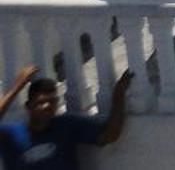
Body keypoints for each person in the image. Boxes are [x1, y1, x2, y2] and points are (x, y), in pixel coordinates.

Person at [0, 66, 132, 169]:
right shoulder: (11, 135)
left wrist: (118, 94)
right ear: (29, 106)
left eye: (52, 101)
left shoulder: (66, 125)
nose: (47, 106)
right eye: (40, 102)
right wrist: (16, 88)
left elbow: (110, 135)